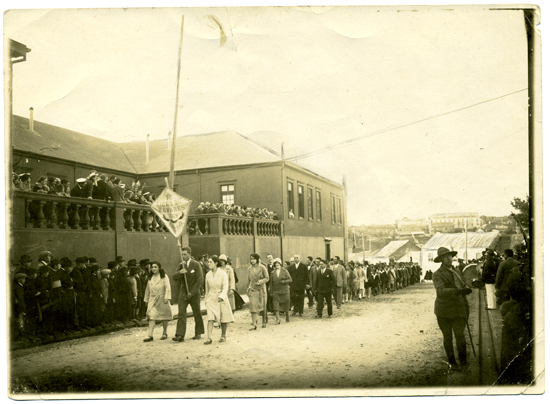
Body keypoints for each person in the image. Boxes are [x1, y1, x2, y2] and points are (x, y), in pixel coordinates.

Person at [432, 247, 472, 372]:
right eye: (445, 257)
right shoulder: (437, 274)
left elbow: (462, 284)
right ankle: (452, 363)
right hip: (444, 310)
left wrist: (468, 287)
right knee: (448, 337)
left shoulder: (456, 271)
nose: (449, 258)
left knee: (460, 335)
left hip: (459, 309)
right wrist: (459, 291)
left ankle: (464, 363)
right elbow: (441, 291)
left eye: (450, 256)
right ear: (441, 260)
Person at [173, 246, 205, 342]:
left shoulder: (196, 264)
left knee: (197, 313)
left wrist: (192, 292)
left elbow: (199, 280)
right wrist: (180, 272)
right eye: (182, 254)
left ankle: (198, 332)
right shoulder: (181, 265)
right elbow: (174, 277)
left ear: (190, 254)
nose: (183, 256)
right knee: (181, 313)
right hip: (183, 293)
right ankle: (180, 335)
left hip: (194, 293)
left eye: (185, 254)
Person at [204, 256, 234, 344]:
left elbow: (225, 287)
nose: (208, 263)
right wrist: (206, 300)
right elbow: (207, 289)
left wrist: (222, 296)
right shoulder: (207, 275)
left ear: (216, 263)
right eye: (208, 262)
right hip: (211, 299)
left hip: (221, 298)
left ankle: (223, 335)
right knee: (210, 318)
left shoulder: (223, 273)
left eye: (210, 262)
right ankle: (209, 338)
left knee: (223, 317)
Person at [143, 262, 172, 342]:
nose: (153, 269)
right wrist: (146, 299)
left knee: (164, 316)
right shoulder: (150, 277)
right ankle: (150, 335)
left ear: (159, 268)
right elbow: (147, 289)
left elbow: (168, 288)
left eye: (155, 267)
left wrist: (167, 297)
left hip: (162, 298)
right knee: (151, 316)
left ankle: (164, 333)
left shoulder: (164, 276)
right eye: (152, 267)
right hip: (152, 299)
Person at [247, 253, 269, 330]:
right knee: (253, 307)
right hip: (253, 289)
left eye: (253, 259)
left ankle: (264, 321)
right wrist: (248, 288)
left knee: (262, 307)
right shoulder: (249, 268)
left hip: (261, 290)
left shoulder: (262, 267)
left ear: (257, 259)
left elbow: (267, 278)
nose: (252, 260)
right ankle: (254, 323)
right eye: (251, 259)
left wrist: (261, 281)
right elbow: (249, 280)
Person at [269, 258, 292, 324]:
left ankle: (287, 315)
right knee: (275, 305)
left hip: (284, 291)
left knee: (286, 305)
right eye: (275, 264)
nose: (277, 265)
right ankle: (278, 319)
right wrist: (271, 292)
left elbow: (290, 279)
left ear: (280, 264)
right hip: (276, 292)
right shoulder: (272, 273)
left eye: (278, 264)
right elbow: (271, 283)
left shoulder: (285, 271)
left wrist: (284, 281)